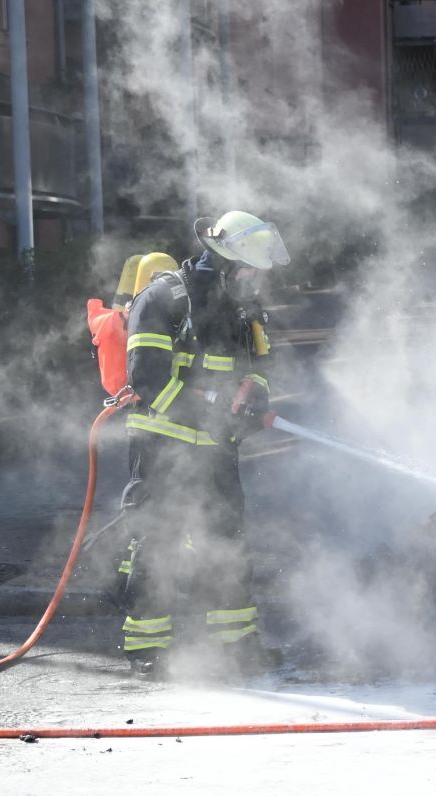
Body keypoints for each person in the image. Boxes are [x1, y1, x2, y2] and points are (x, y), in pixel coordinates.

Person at [116, 210, 284, 678]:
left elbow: (257, 369)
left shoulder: (242, 307)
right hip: (163, 447)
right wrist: (203, 411)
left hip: (216, 446)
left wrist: (253, 400)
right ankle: (148, 648)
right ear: (224, 261)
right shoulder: (165, 298)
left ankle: (234, 645)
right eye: (249, 268)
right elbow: (147, 377)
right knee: (158, 542)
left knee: (225, 541)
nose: (255, 278)